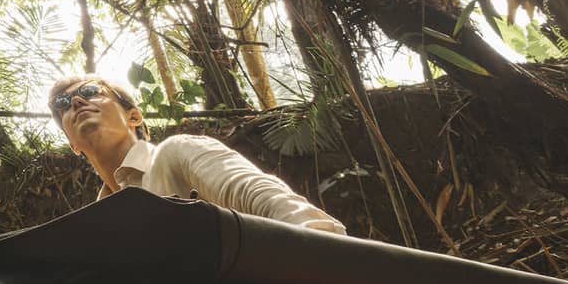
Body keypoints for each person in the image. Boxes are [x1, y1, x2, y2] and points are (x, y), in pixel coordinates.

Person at [48, 75, 346, 233]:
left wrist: (326, 253)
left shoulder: (174, 154)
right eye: (63, 102)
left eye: (90, 91)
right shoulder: (97, 227)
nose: (75, 101)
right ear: (73, 145)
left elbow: (261, 196)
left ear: (135, 117)